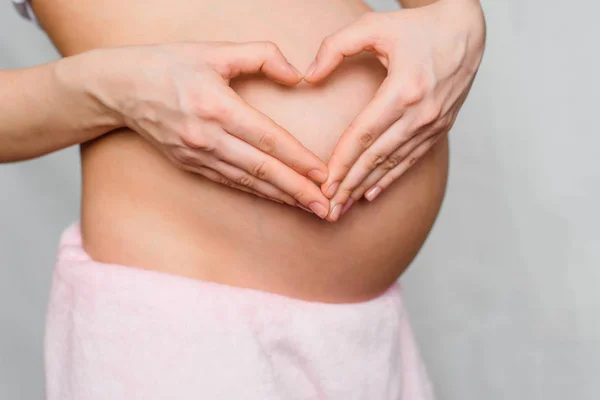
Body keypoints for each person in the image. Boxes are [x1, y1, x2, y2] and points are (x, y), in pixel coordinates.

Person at [4, 0, 485, 398]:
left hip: (366, 334)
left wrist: (459, 19)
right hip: (175, 319)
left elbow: (441, 11)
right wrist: (113, 90)